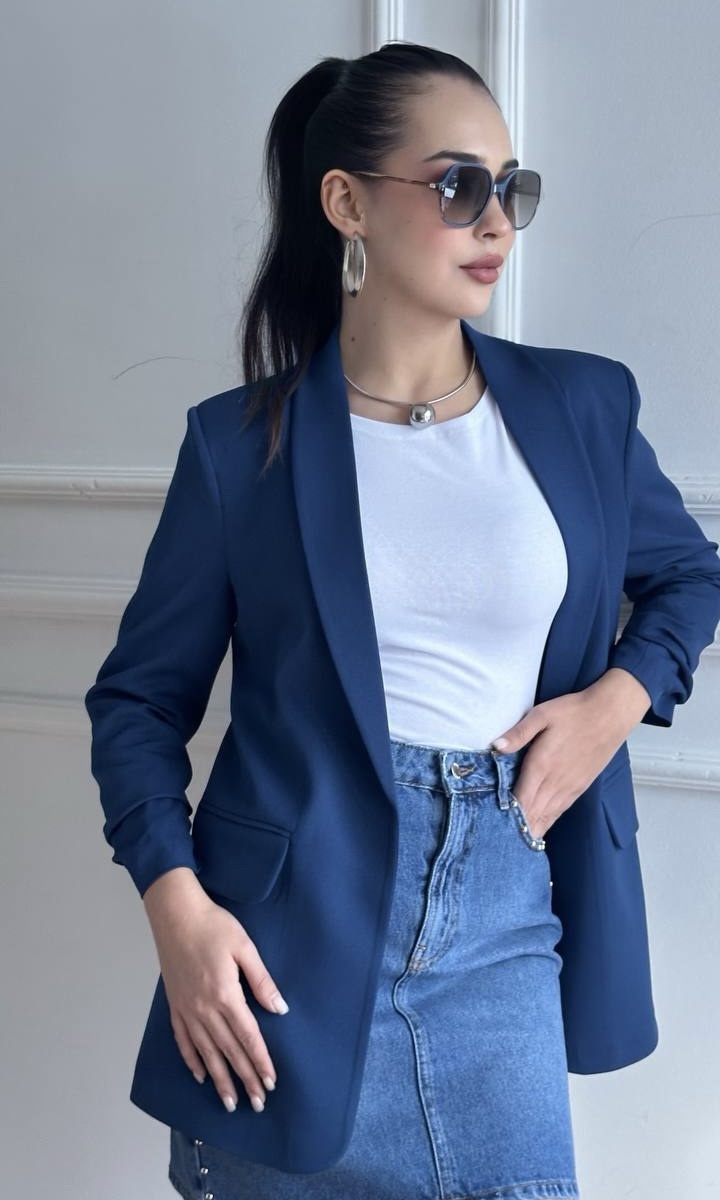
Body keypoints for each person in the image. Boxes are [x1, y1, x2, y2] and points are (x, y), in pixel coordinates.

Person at [85, 42, 720, 1200]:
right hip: (279, 966)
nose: (497, 220)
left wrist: (611, 707)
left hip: (505, 932)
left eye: (511, 187)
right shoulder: (240, 448)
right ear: (347, 203)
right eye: (458, 184)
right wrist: (175, 908)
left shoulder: (581, 405)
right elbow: (137, 703)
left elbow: (690, 578)